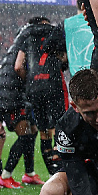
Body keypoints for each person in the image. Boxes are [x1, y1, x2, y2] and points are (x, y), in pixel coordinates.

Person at [0, 19, 44, 189]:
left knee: (33, 130)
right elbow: (18, 68)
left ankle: (29, 174)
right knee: (26, 135)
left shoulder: (19, 44)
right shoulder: (27, 45)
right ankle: (5, 176)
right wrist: (31, 85)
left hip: (10, 95)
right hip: (11, 97)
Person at [15, 19, 68, 176]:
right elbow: (65, 57)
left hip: (35, 86)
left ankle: (52, 173)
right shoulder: (55, 32)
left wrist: (31, 80)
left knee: (44, 131)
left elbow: (18, 66)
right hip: (53, 83)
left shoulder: (27, 36)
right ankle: (61, 172)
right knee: (59, 127)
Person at [64, 0, 95, 77]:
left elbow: (49, 45)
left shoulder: (66, 24)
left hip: (76, 75)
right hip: (97, 73)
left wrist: (64, 58)